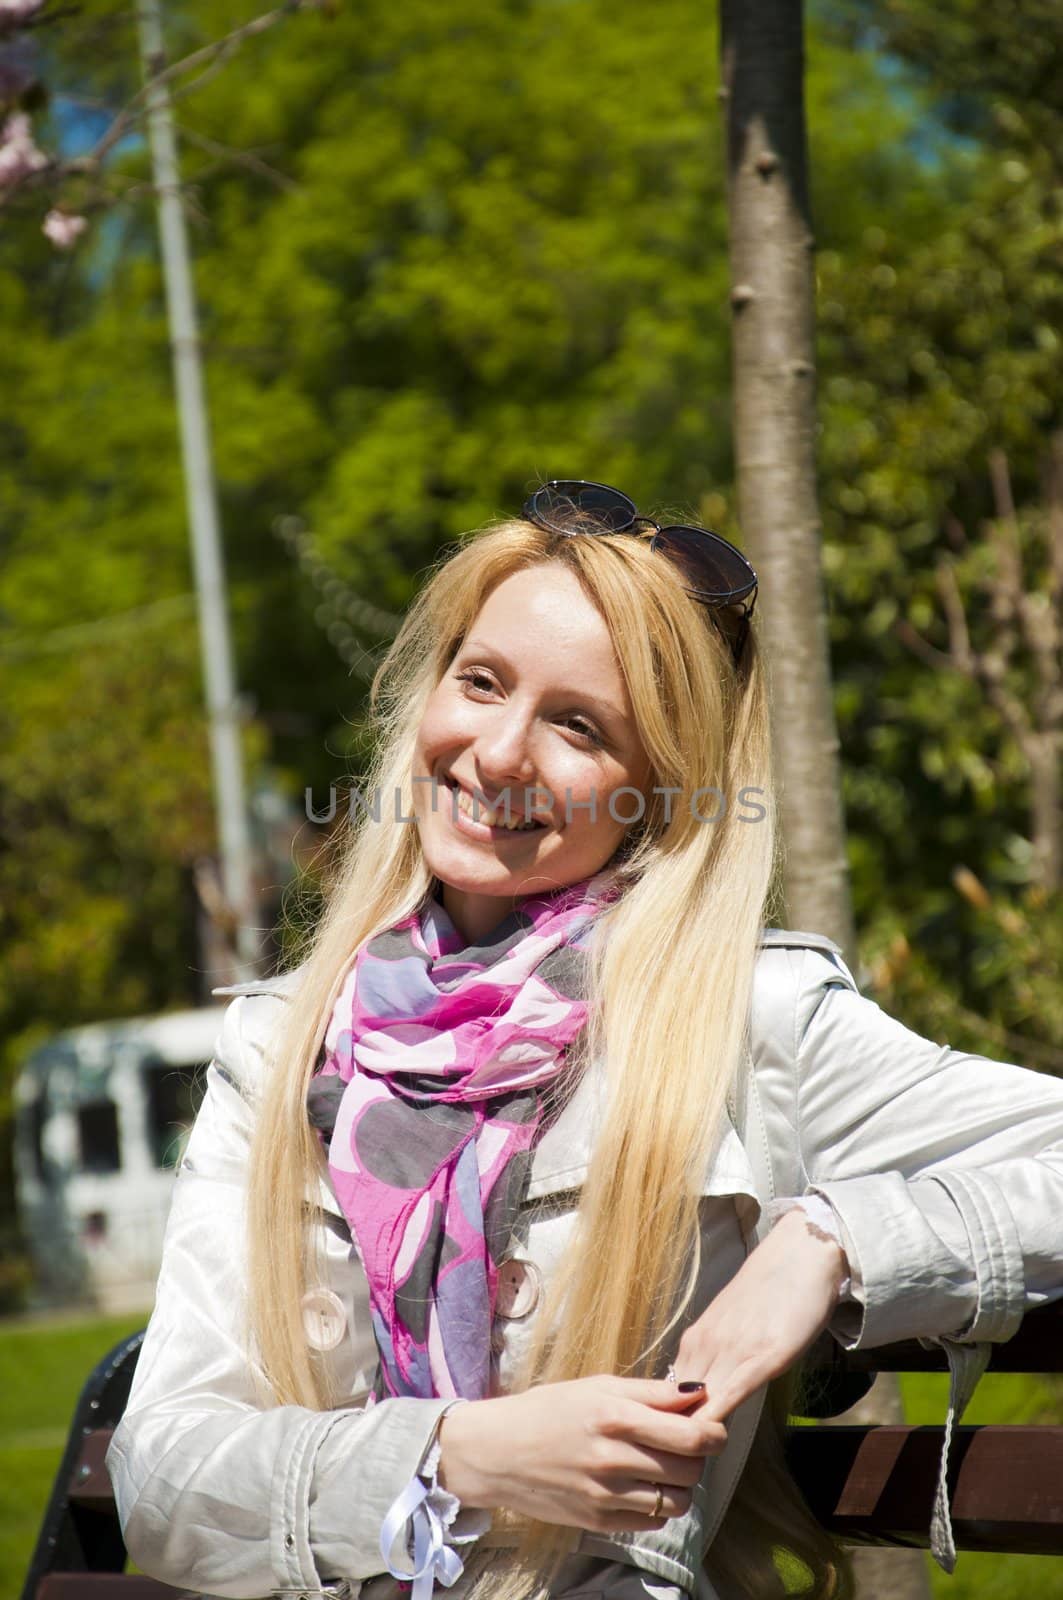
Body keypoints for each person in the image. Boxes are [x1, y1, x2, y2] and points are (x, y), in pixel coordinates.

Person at [107, 480, 1063, 1600]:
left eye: (578, 726)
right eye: (482, 681)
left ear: (653, 788)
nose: (499, 752)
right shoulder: (279, 1046)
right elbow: (162, 1477)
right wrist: (453, 1452)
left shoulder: (739, 1021)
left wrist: (834, 1239)